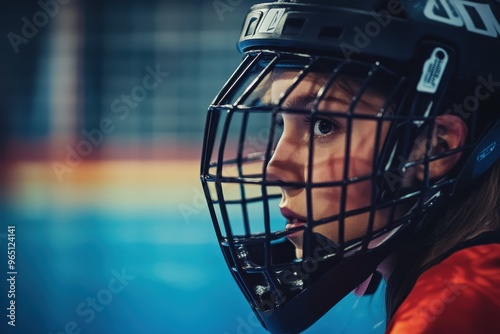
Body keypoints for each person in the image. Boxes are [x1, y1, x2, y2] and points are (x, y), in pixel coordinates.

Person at [200, 1, 500, 333]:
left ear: (436, 147)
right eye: (279, 126)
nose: (274, 169)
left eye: (322, 125)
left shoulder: (451, 310)